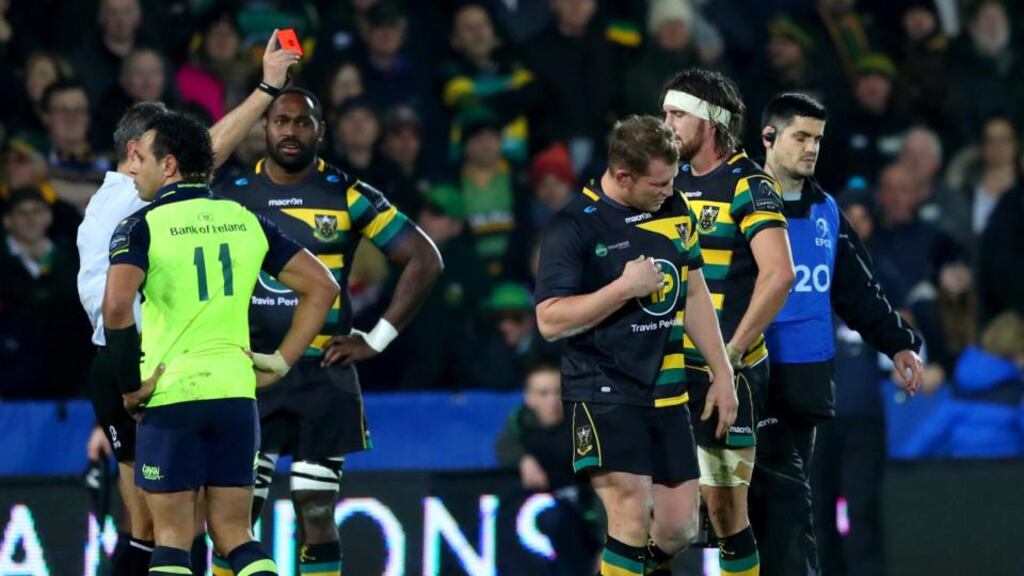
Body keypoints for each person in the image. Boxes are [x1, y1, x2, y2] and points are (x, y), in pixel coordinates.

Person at [76, 33, 298, 575]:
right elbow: (207, 153)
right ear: (140, 155)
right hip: (139, 368)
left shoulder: (125, 203)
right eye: (166, 149)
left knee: (164, 528)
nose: (177, 161)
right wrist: (267, 89)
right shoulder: (128, 199)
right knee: (161, 528)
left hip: (154, 368)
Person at [217, 86, 443, 576]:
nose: (291, 131)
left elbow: (424, 259)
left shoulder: (348, 194)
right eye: (281, 121)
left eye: (303, 122)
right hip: (249, 373)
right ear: (264, 128)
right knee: (235, 516)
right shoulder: (231, 195)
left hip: (324, 375)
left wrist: (376, 339)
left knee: (316, 511)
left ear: (321, 131)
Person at [102, 110, 338, 576]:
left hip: (172, 395)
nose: (134, 171)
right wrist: (281, 362)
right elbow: (323, 286)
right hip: (235, 395)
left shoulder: (140, 226)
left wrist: (130, 386)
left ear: (169, 165)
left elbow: (115, 308)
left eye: (142, 159)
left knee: (171, 538)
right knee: (235, 535)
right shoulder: (244, 219)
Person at [536, 115, 736, 576]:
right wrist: (624, 288)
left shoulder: (675, 207)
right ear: (623, 176)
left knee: (679, 529)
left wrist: (722, 371)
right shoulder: (574, 226)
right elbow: (549, 320)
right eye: (658, 183)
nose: (670, 190)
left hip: (667, 392)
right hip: (602, 387)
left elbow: (695, 292)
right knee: (630, 511)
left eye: (672, 179)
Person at [755, 92, 924, 576]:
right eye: (800, 137)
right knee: (748, 514)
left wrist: (898, 342)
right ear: (769, 137)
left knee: (797, 517)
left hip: (807, 386)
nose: (811, 148)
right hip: (749, 381)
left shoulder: (826, 211)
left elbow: (858, 290)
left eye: (818, 139)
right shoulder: (734, 204)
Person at [663, 68, 794, 576]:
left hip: (729, 372)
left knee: (725, 515)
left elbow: (779, 275)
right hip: (669, 371)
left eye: (677, 114)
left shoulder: (749, 183)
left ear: (711, 121)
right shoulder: (667, 184)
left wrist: (730, 358)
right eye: (665, 114)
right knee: (657, 514)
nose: (667, 125)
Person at [495, 362, 601, 575]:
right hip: (532, 519)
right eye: (543, 393)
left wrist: (606, 544)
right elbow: (503, 447)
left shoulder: (582, 428)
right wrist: (523, 460)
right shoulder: (521, 422)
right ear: (529, 398)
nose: (552, 401)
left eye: (558, 392)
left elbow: (603, 489)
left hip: (581, 520)